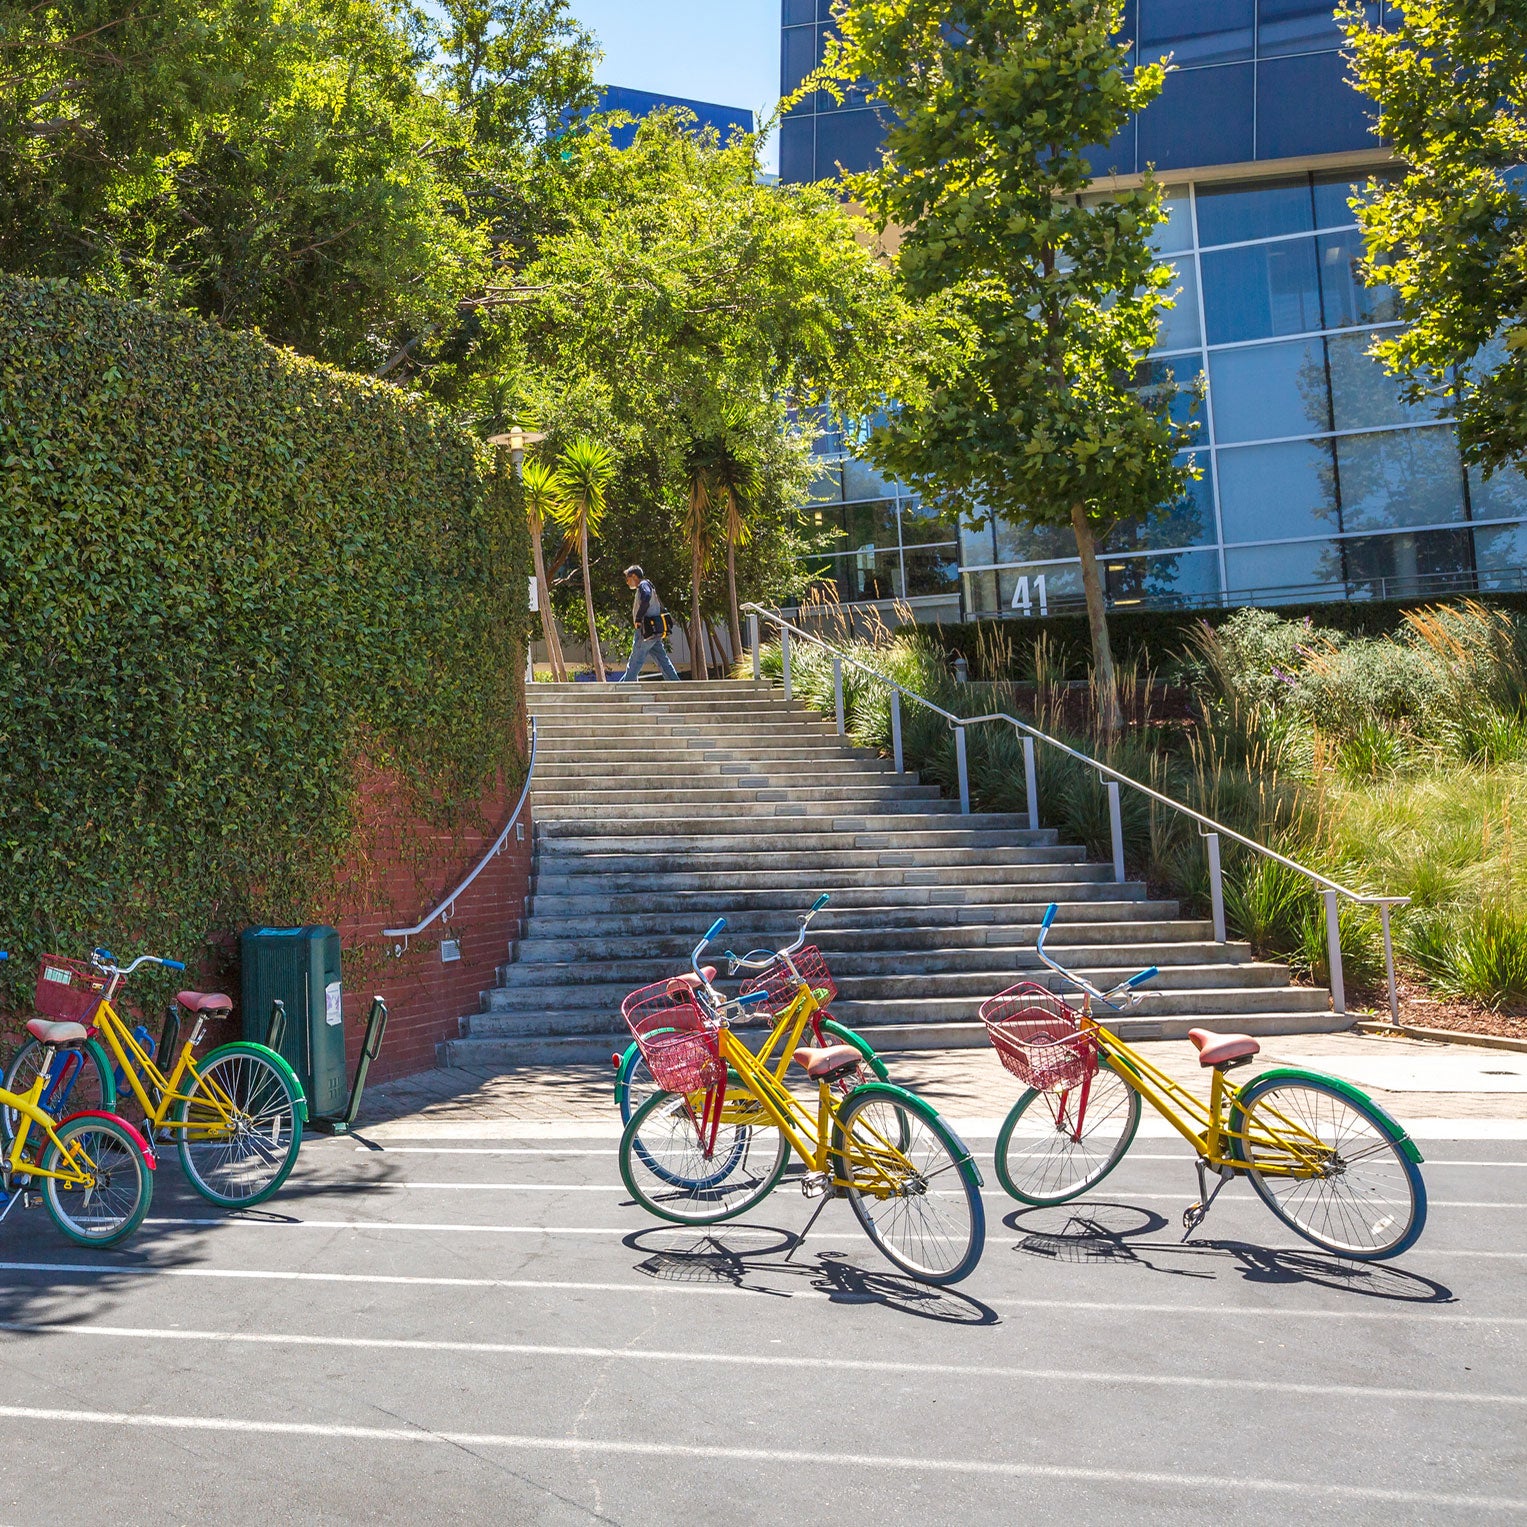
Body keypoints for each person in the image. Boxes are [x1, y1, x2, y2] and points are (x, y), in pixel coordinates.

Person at [619, 565, 681, 682]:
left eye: (627, 579)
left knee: (635, 660)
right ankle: (675, 683)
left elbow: (646, 598)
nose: (627, 582)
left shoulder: (643, 585)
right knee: (663, 661)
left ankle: (624, 688)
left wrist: (638, 619)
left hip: (646, 631)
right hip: (654, 631)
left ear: (634, 576)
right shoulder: (648, 585)